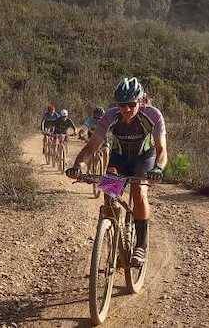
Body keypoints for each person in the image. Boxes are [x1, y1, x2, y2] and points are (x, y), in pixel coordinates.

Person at [67, 77, 167, 267]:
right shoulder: (111, 116)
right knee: (110, 197)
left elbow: (162, 150)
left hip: (144, 158)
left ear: (140, 100)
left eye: (131, 104)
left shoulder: (153, 115)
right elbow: (92, 146)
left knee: (138, 191)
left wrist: (158, 167)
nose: (127, 109)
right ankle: (116, 243)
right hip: (119, 158)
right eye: (122, 104)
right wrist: (79, 165)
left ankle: (140, 245)